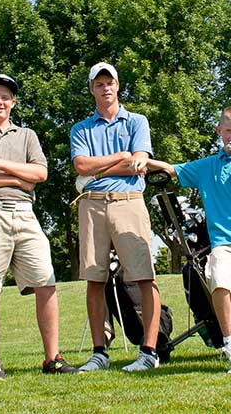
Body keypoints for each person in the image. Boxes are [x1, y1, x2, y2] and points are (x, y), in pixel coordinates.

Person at [0, 74, 77, 380]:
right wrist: (15, 179)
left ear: (13, 103)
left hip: (25, 213)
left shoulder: (27, 135)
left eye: (5, 97)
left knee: (45, 280)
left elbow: (40, 173)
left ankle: (53, 358)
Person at [147, 106, 231, 375]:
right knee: (218, 281)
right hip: (223, 241)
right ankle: (230, 342)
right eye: (228, 132)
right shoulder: (206, 166)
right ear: (219, 131)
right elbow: (173, 170)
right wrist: (141, 161)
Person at [69, 62, 162, 372]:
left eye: (110, 82)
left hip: (129, 200)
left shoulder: (137, 121)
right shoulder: (80, 129)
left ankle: (148, 351)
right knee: (94, 279)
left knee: (144, 276)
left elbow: (139, 163)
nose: (105, 88)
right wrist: (121, 158)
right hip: (92, 204)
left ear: (118, 85)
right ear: (92, 88)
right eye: (99, 84)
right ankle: (99, 353)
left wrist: (103, 168)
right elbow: (81, 166)